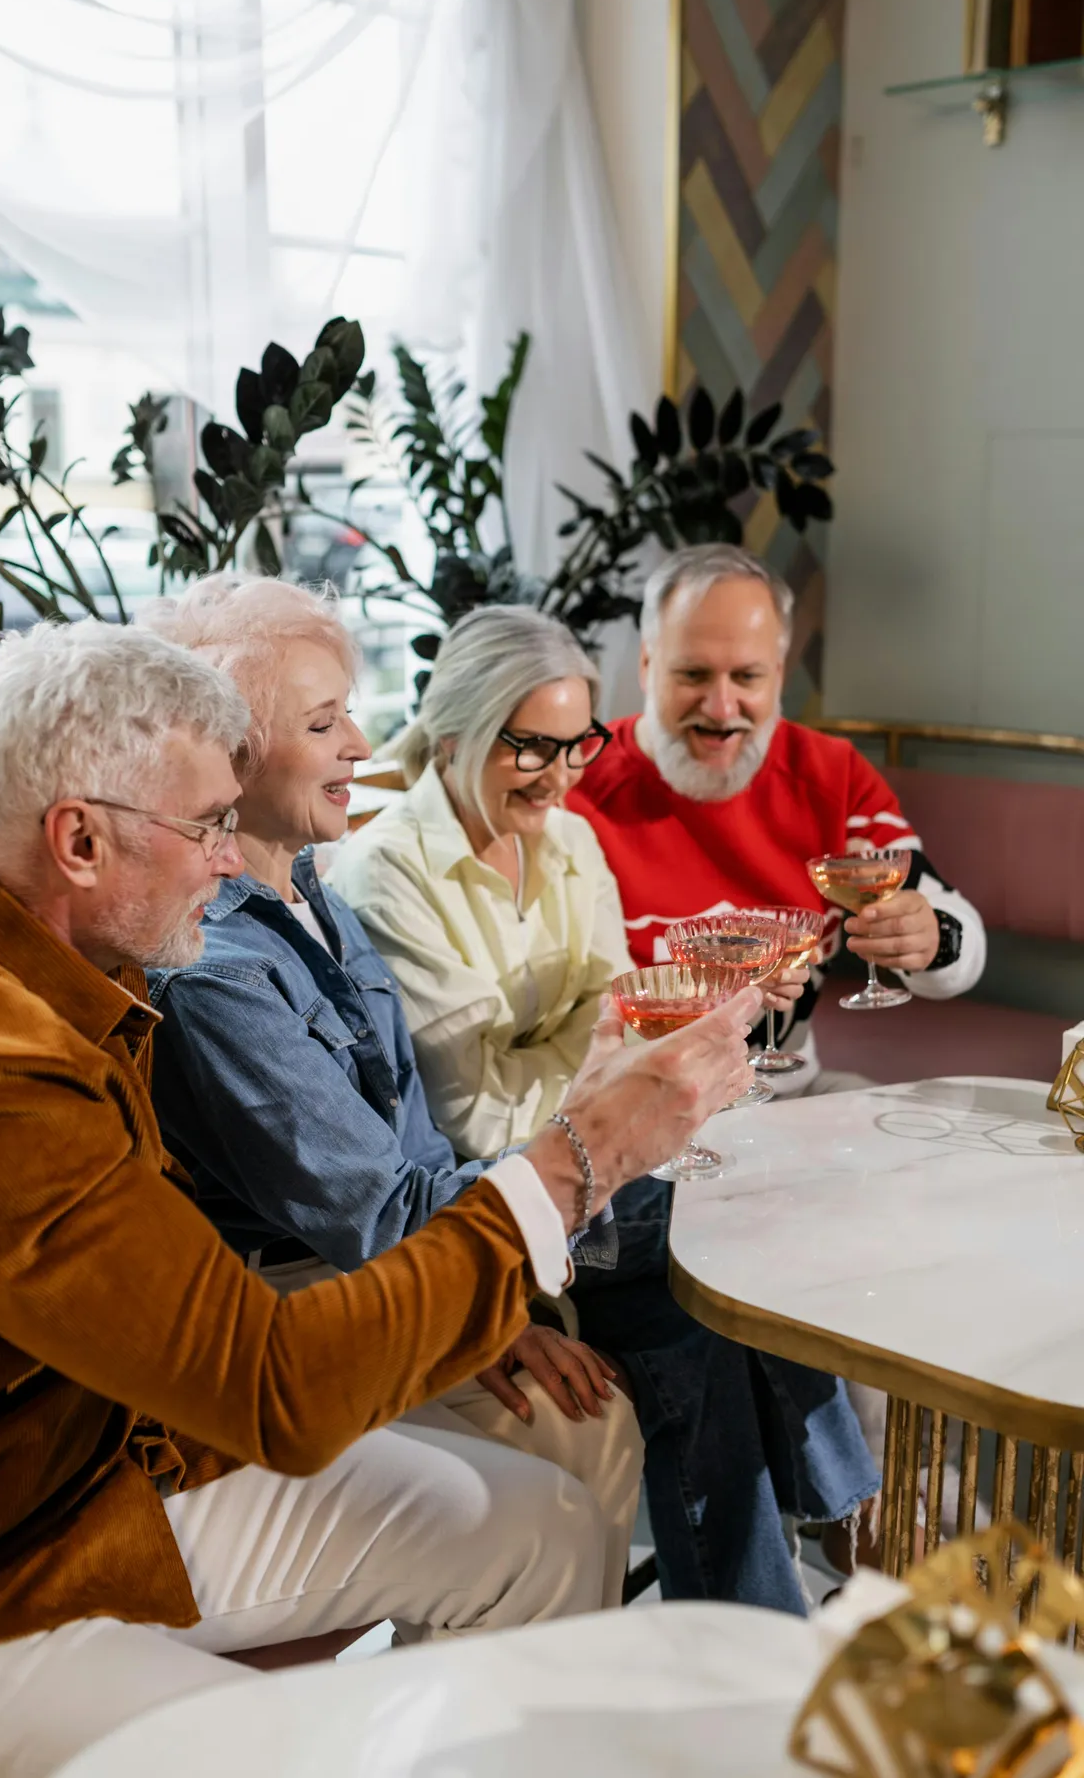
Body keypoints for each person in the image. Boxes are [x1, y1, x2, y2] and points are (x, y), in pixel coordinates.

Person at [0, 617, 758, 1778]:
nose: (223, 859)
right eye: (205, 826)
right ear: (79, 840)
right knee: (317, 1752)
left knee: (542, 1528)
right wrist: (574, 1159)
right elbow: (275, 1386)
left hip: (105, 1468)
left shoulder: (21, 935)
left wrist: (452, 1295)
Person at [330, 604, 880, 1615]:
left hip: (595, 1165)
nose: (558, 773)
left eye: (576, 742)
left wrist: (588, 1054)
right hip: (496, 1196)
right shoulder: (384, 872)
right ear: (452, 733)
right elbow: (470, 1101)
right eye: (527, 745)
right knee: (724, 1267)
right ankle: (838, 1540)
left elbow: (616, 1019)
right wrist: (595, 1057)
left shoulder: (571, 840)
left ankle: (754, 1618)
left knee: (734, 1270)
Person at [143, 577, 644, 1609]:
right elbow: (379, 1210)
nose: (364, 745)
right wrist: (606, 1132)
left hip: (376, 1280)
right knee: (580, 1436)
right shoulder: (213, 965)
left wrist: (488, 1306)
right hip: (286, 1314)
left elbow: (413, 1156)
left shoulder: (314, 895)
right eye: (324, 723)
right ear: (225, 758)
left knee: (592, 1419)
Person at [567, 544, 987, 1095]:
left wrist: (931, 938)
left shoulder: (832, 776)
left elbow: (958, 935)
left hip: (790, 1098)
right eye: (693, 674)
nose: (721, 707)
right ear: (647, 666)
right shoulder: (573, 782)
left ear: (780, 675)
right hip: (632, 1109)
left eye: (747, 676)